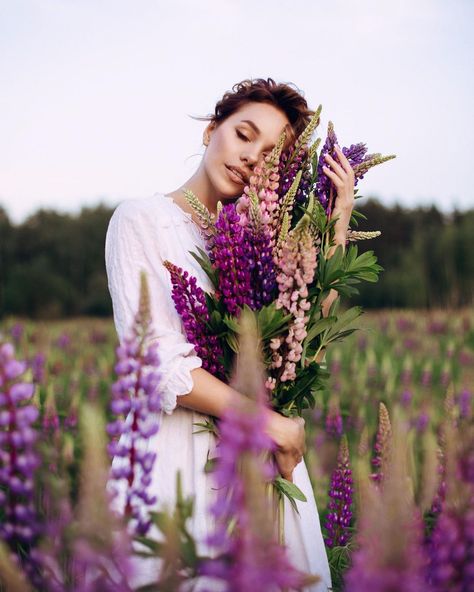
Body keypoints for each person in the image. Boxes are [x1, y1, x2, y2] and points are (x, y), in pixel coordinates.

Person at [105, 77, 355, 591]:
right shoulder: (140, 220)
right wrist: (274, 425)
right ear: (210, 130)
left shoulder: (262, 237)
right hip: (176, 459)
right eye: (243, 135)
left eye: (269, 156)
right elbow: (157, 364)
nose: (250, 159)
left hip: (262, 463)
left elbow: (306, 329)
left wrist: (339, 220)